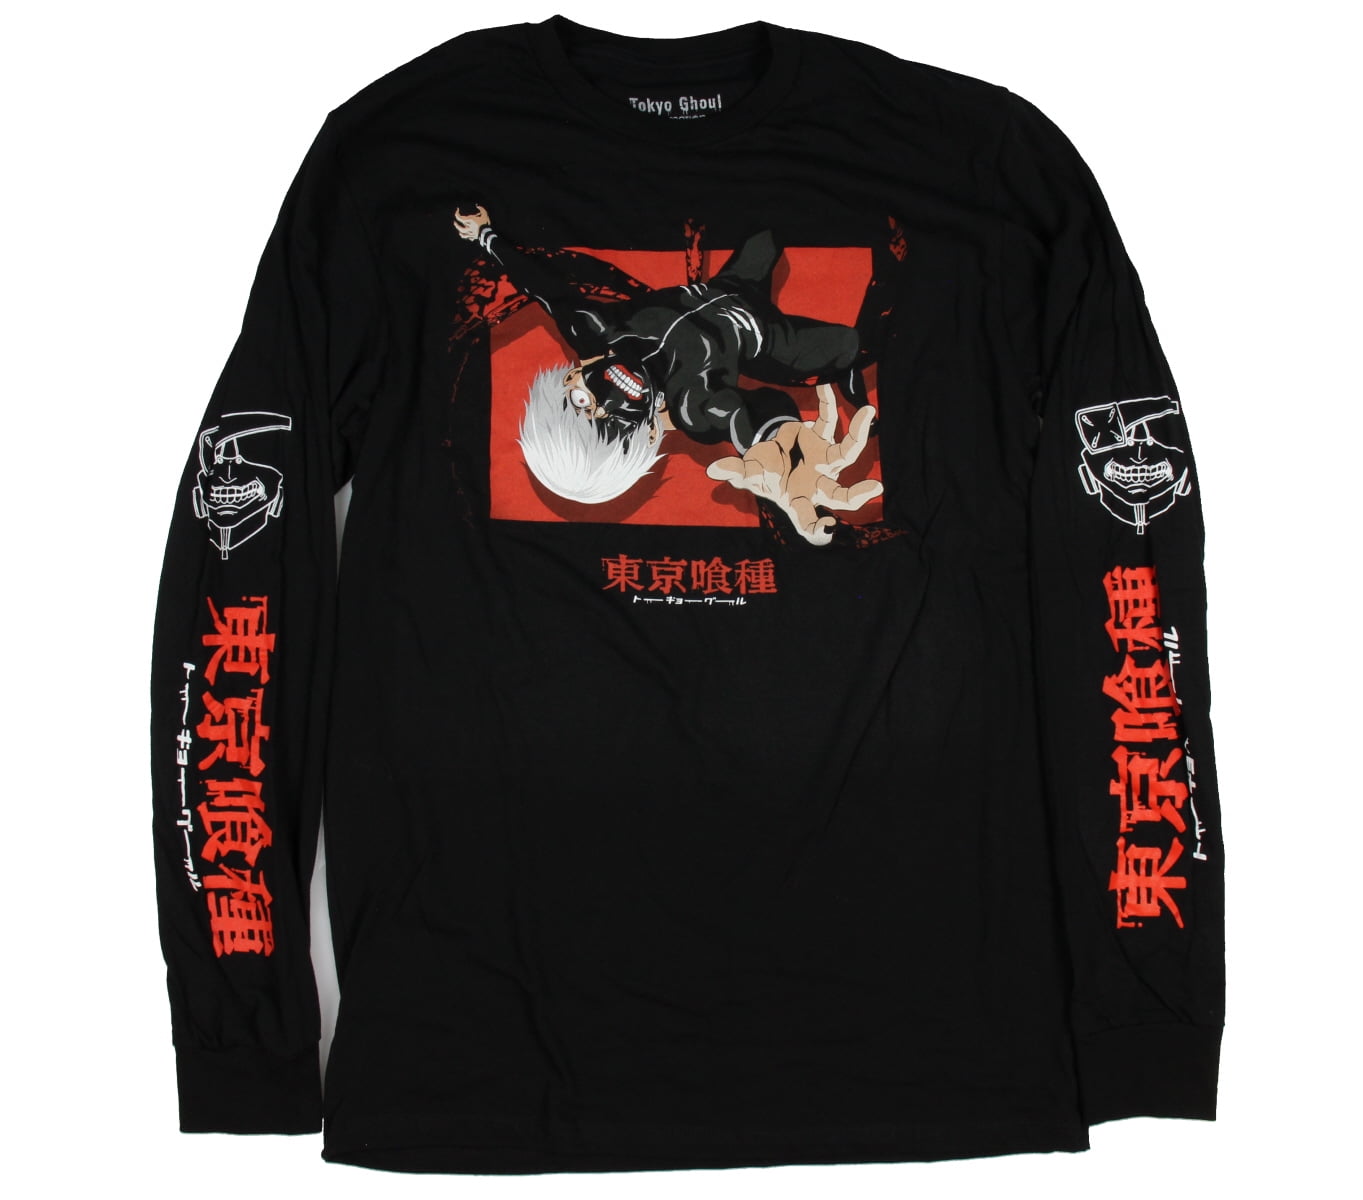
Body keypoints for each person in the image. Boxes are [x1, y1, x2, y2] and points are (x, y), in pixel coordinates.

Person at [454, 205, 882, 545]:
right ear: (645, 438)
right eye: (610, 429)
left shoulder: (593, 329)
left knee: (765, 226)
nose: (606, 405)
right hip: (766, 338)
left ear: (572, 378)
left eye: (581, 405)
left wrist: (486, 236)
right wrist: (775, 442)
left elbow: (543, 287)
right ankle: (847, 370)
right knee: (850, 347)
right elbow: (747, 415)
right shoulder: (693, 406)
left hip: (729, 286)